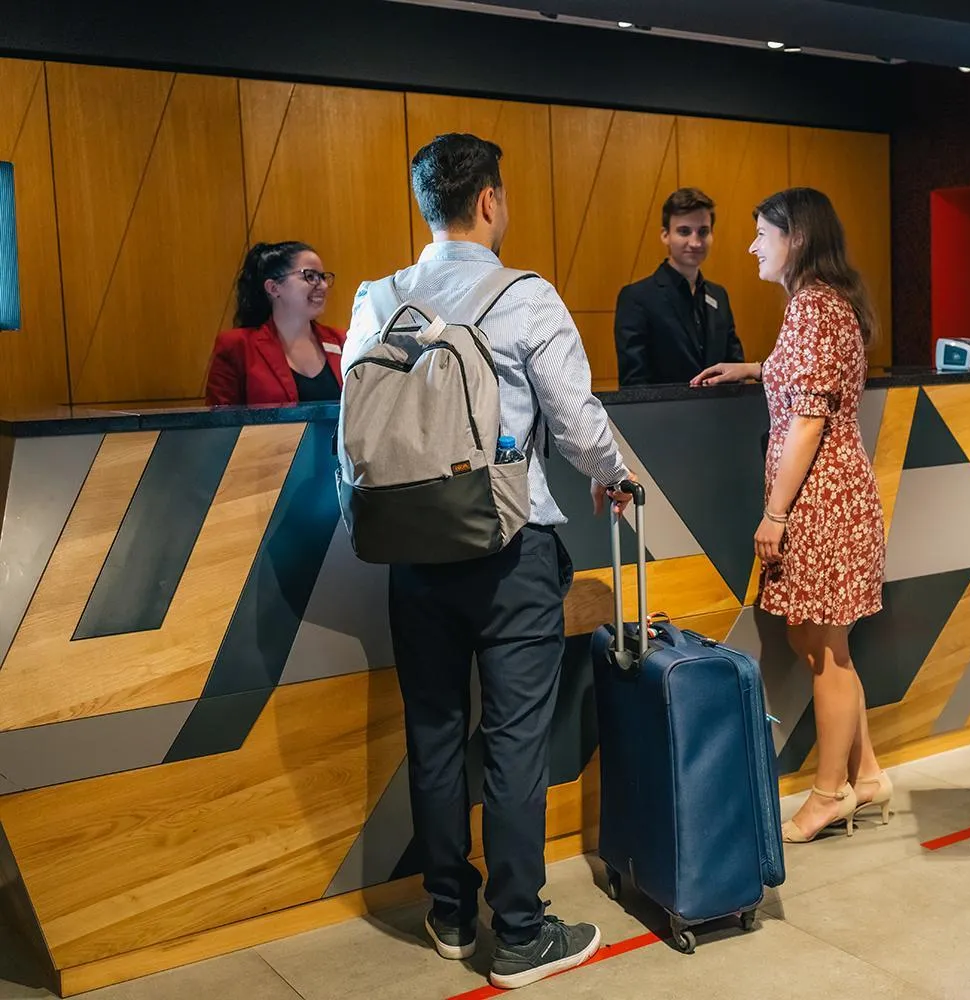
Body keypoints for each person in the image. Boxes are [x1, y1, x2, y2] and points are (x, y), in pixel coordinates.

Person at [343, 133, 635, 991]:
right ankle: (518, 931)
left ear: (426, 207)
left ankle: (445, 907)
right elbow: (578, 426)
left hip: (406, 544)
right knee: (513, 742)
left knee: (433, 730)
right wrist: (615, 479)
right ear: (492, 202)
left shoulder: (375, 300)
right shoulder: (526, 296)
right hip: (512, 547)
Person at [692, 188, 890, 843]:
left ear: (796, 238)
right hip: (836, 495)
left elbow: (808, 420)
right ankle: (868, 775)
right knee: (816, 641)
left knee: (826, 649)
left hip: (820, 500)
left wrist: (775, 513)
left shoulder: (811, 307)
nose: (751, 246)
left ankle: (829, 795)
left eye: (762, 234)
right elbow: (811, 383)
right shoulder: (829, 303)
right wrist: (753, 369)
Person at [613, 187, 747, 386]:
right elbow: (635, 385)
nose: (695, 242)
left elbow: (735, 369)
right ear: (665, 235)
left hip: (720, 414)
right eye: (684, 231)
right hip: (664, 416)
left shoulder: (719, 296)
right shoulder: (636, 298)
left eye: (703, 232)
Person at [204, 242, 345, 406]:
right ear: (273, 288)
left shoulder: (343, 341)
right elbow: (219, 424)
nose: (323, 285)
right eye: (310, 276)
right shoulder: (237, 347)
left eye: (322, 277)